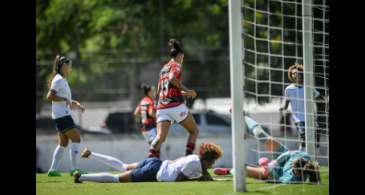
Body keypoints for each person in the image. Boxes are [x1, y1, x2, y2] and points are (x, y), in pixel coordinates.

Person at [74, 142, 223, 183]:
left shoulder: (194, 159)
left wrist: (206, 177)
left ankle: (91, 154)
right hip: (154, 172)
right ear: (207, 159)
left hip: (155, 162)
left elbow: (203, 173)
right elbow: (179, 180)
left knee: (123, 166)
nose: (213, 165)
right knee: (116, 179)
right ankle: (81, 177)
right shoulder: (195, 164)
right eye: (213, 161)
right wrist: (197, 180)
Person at [148, 39, 199, 158]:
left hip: (162, 107)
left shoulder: (163, 69)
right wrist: (187, 90)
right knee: (194, 131)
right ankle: (188, 160)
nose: (182, 60)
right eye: (183, 57)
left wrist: (186, 93)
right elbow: (172, 78)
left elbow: (162, 90)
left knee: (160, 138)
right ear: (180, 56)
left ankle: (149, 161)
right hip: (175, 106)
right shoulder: (176, 65)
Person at [46, 55, 86, 177]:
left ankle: (52, 170)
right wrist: (64, 99)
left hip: (60, 116)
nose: (70, 69)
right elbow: (50, 96)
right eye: (69, 66)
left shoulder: (61, 79)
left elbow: (65, 99)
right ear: (63, 66)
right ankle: (74, 169)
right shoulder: (58, 79)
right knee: (77, 138)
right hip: (62, 116)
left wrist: (75, 103)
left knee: (63, 143)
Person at [279, 64, 324, 150]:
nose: (295, 75)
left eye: (298, 73)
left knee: (316, 134)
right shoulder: (288, 89)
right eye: (293, 74)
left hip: (310, 117)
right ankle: (301, 156)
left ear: (302, 74)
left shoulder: (308, 87)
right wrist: (283, 108)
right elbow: (286, 102)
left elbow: (319, 97)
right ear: (291, 76)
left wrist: (324, 103)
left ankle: (314, 154)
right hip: (298, 118)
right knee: (304, 137)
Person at [213, 150, 321, 184]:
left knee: (242, 170)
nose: (292, 169)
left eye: (293, 170)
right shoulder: (301, 155)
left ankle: (228, 171)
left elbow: (278, 180)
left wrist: (268, 173)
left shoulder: (293, 179)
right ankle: (243, 116)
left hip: (274, 173)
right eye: (292, 166)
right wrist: (275, 163)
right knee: (261, 135)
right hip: (275, 165)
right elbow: (287, 154)